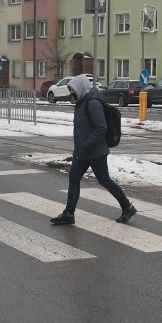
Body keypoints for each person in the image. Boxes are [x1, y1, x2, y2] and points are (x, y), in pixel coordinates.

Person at [50, 73, 137, 225]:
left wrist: (86, 144)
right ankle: (69, 214)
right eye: (70, 90)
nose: (71, 93)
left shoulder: (92, 103)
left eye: (73, 90)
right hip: (82, 151)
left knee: (105, 180)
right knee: (74, 178)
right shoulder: (82, 102)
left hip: (95, 152)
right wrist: (80, 147)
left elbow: (101, 128)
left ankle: (127, 207)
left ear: (81, 88)